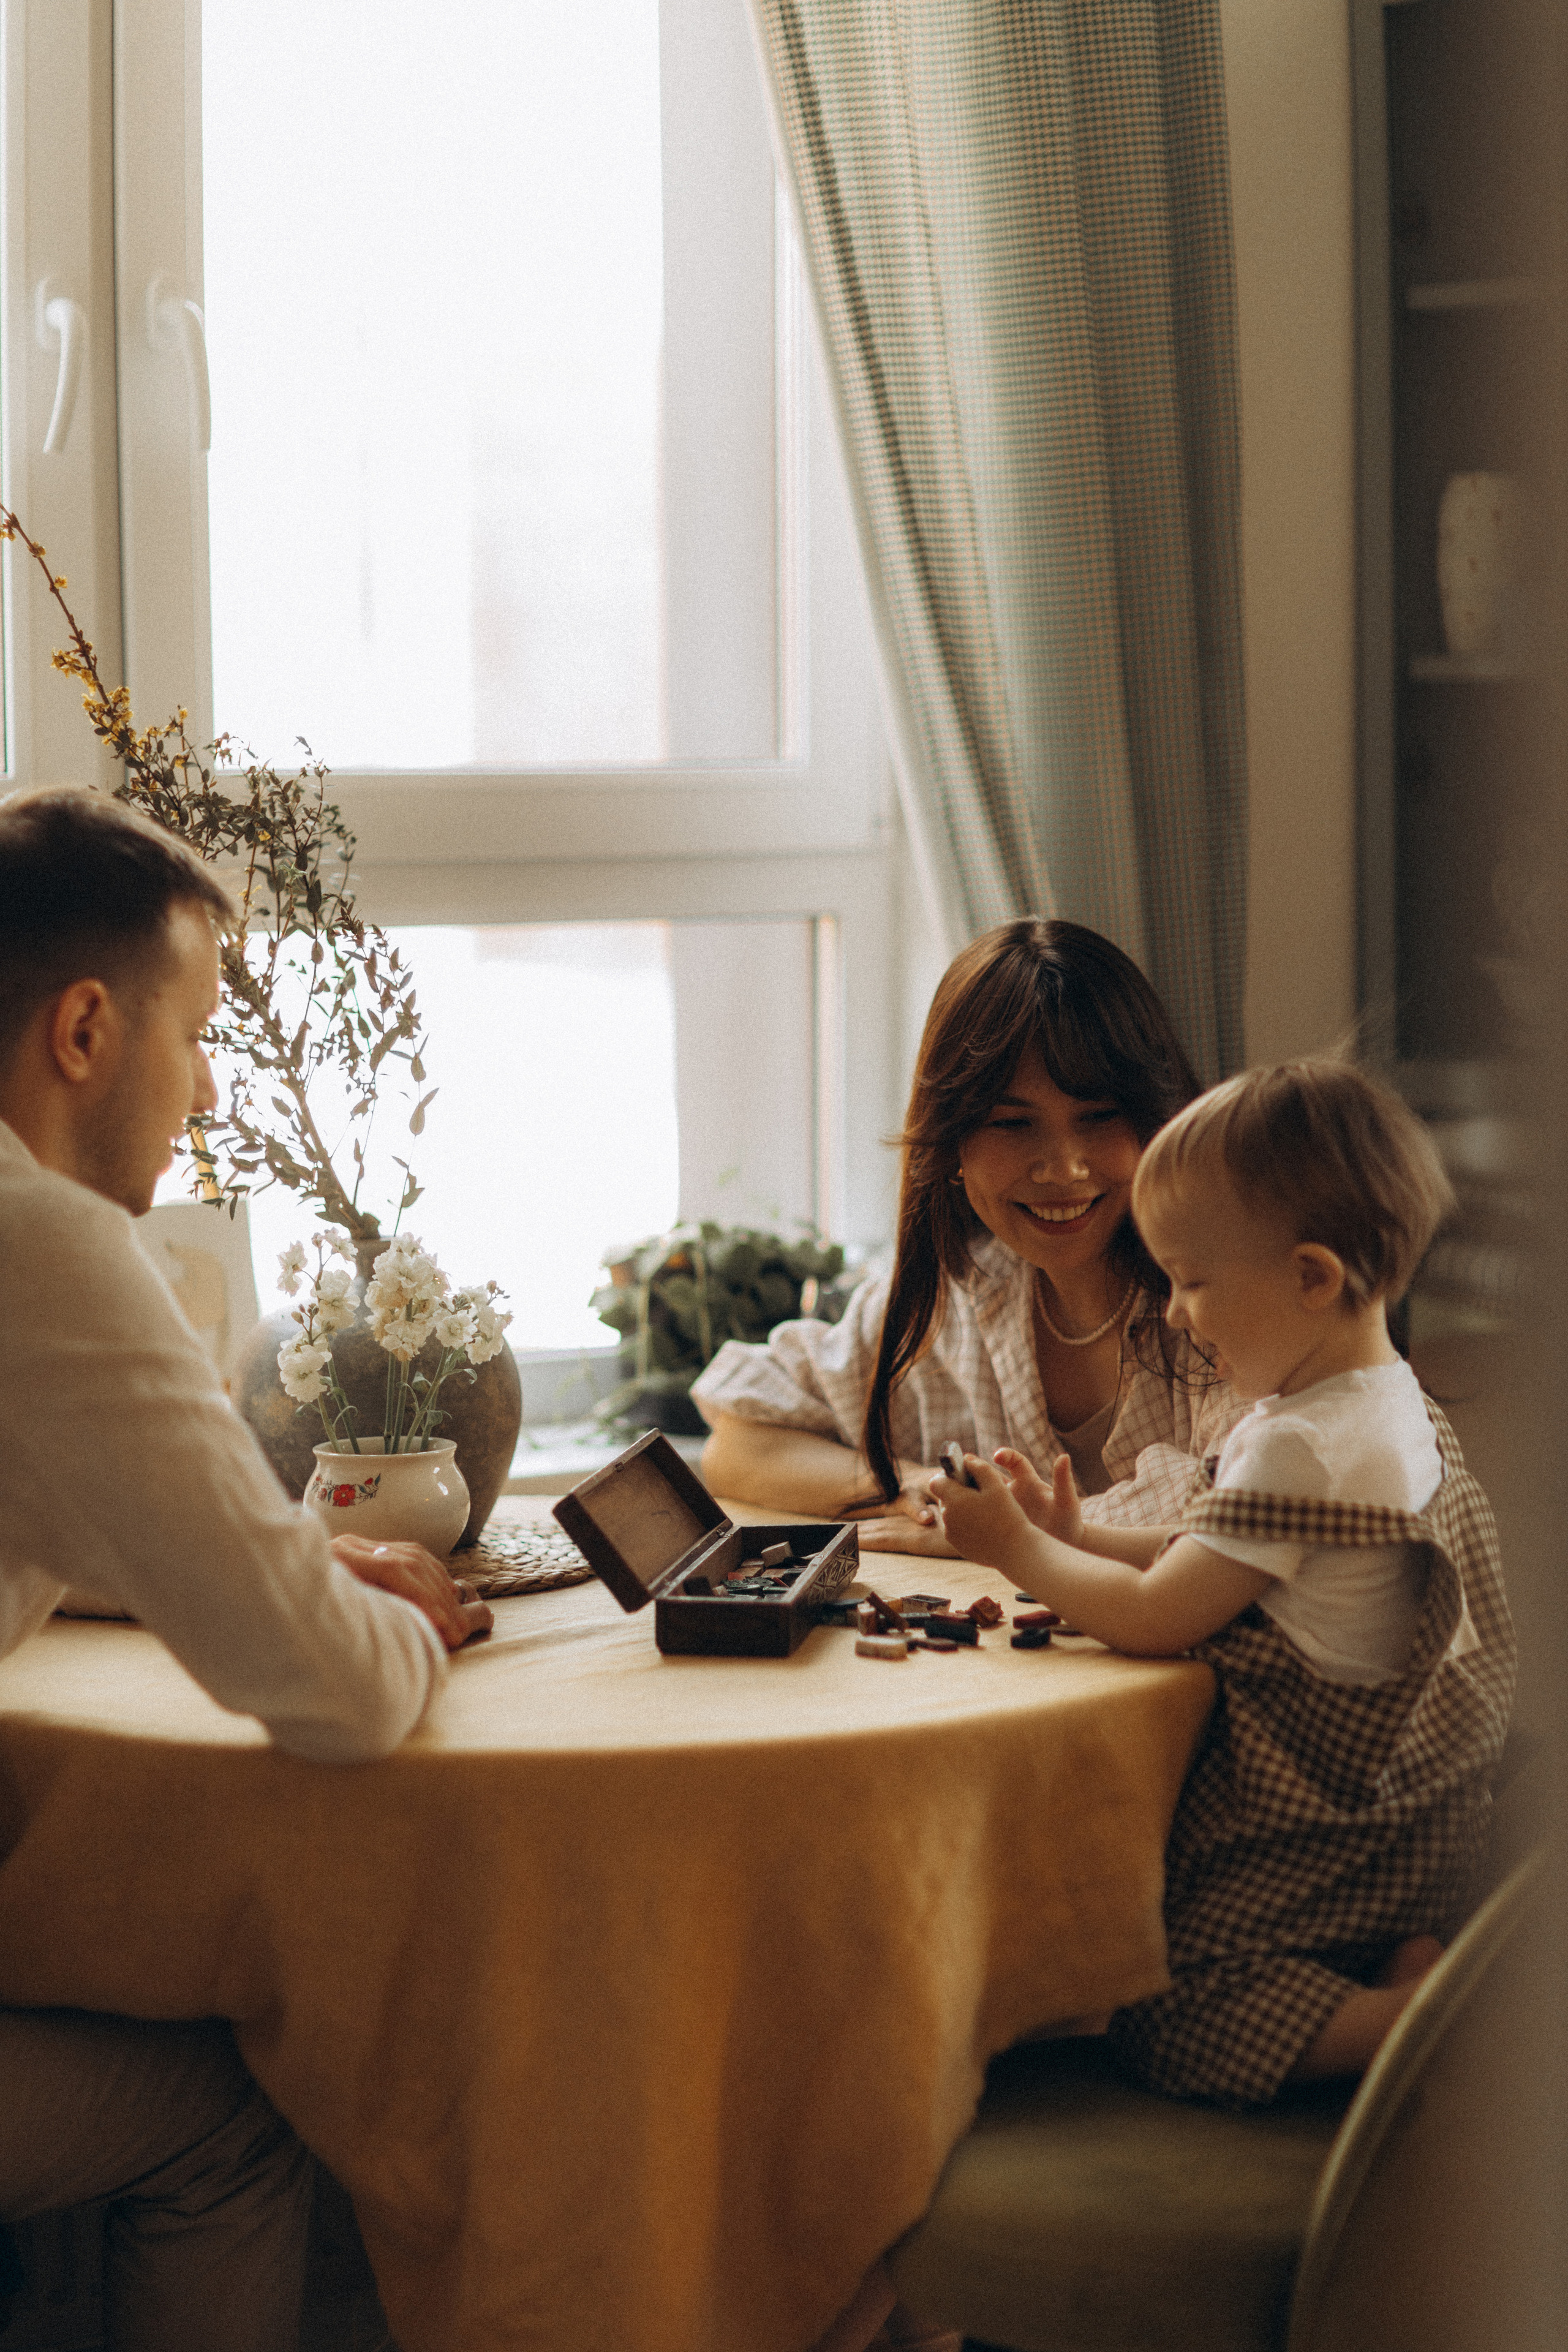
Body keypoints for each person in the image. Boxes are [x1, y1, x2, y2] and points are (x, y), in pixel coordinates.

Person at [0, 786, 492, 2350]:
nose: (205, 1091)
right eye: (195, 1032)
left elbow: (47, 1506)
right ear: (85, 1029)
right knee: (237, 2111)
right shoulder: (48, 1247)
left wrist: (274, 1554)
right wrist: (396, 1608)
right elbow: (336, 1699)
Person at [930, 1057, 1516, 2107]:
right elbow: (1217, 1558)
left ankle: (1406, 2029)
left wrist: (1013, 1552)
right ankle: (1405, 1962)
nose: (1182, 1316)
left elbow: (1161, 1620)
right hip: (1430, 1810)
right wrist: (1074, 1539)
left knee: (1160, 2008)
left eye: (1194, 1282)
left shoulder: (1305, 1448)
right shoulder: (1384, 1406)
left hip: (1340, 1819)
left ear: (1311, 1277)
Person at [696, 917, 1245, 1550]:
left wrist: (1000, 1536)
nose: (1064, 1167)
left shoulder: (1230, 1299)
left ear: (1158, 1118)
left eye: (1098, 1116)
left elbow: (1241, 1526)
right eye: (1014, 1124)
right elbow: (737, 1445)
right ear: (951, 1141)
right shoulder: (952, 1296)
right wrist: (925, 1492)